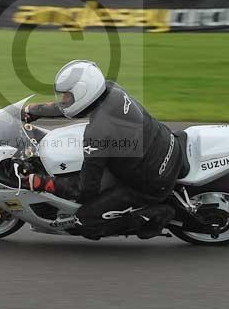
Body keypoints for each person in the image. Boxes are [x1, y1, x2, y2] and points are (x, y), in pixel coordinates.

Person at [22, 60, 186, 240]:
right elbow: (74, 108)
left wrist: (44, 183)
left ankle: (156, 214)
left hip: (151, 183)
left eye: (68, 96)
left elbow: (86, 190)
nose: (64, 100)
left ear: (84, 92)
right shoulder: (111, 90)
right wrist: (34, 111)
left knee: (85, 221)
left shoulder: (98, 133)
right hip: (165, 143)